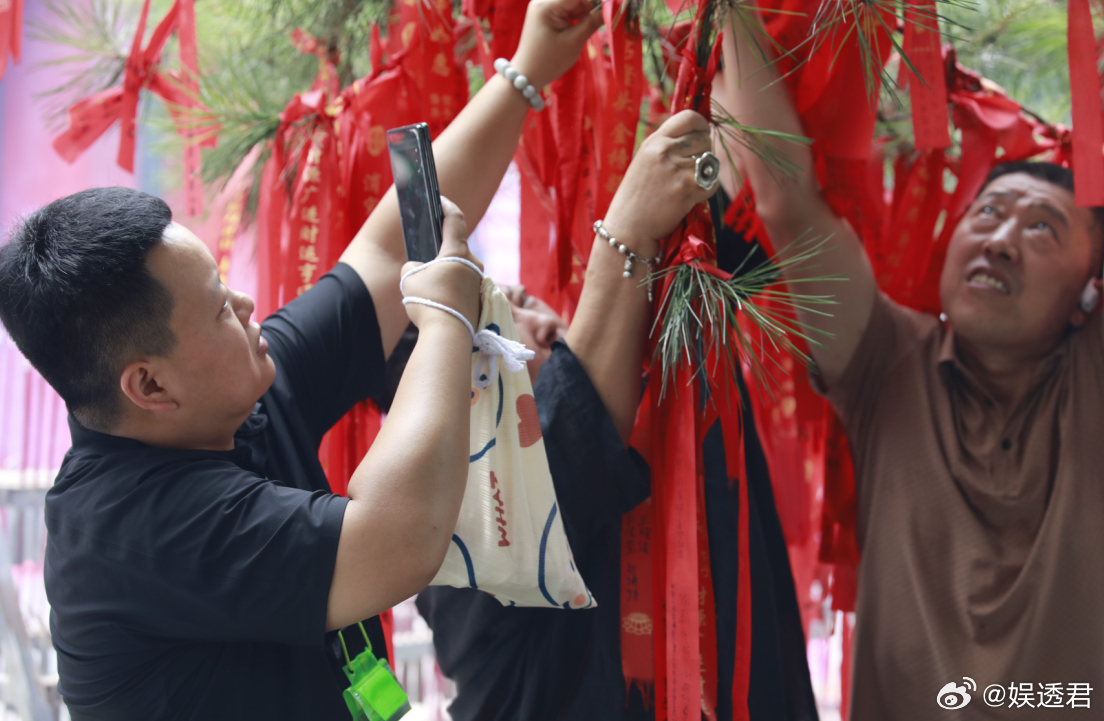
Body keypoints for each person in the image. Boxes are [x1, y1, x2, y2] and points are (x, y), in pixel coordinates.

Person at [0, 0, 603, 717]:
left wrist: (526, 71)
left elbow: (381, 256)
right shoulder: (138, 529)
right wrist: (444, 317)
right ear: (150, 383)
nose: (250, 305)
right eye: (221, 309)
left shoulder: (223, 397)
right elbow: (399, 538)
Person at [719, 4, 1104, 719]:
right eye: (987, 213)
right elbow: (784, 194)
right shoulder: (885, 364)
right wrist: (732, 10)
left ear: (1091, 290)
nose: (1000, 240)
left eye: (1042, 227)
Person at [415, 109, 819, 719]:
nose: (536, 322)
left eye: (519, 300)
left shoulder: (672, 406)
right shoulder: (458, 558)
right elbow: (559, 455)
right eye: (488, 338)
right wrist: (626, 228)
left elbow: (757, 230)